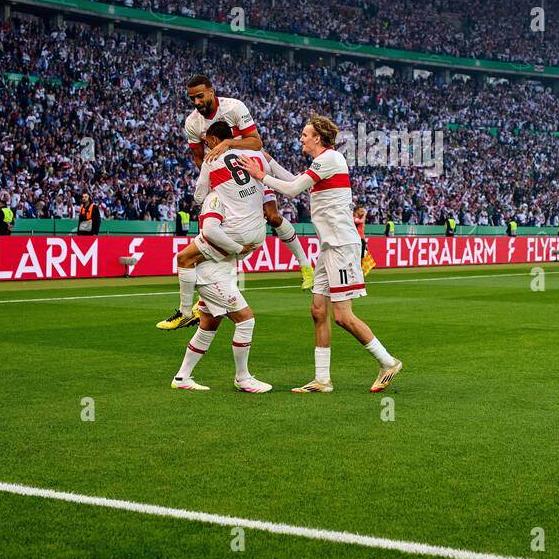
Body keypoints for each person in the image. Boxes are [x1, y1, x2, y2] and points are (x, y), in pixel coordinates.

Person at [246, 113, 402, 394]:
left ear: (317, 137)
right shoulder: (322, 164)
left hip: (342, 246)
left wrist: (261, 174)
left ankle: (388, 362)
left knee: (343, 316)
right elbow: (295, 180)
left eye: (305, 135)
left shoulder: (330, 159)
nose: (301, 139)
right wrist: (267, 162)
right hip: (330, 247)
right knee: (319, 310)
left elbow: (293, 189)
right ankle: (322, 380)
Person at [177, 75, 312, 300]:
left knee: (273, 216)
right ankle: (213, 292)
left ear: (211, 92)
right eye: (192, 98)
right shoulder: (192, 123)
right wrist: (215, 179)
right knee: (222, 230)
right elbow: (199, 158)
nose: (196, 102)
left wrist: (228, 143)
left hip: (252, 170)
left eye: (200, 96)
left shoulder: (234, 107)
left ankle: (305, 266)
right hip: (227, 181)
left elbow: (257, 143)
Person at [170, 120, 271, 394]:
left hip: (222, 268)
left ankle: (182, 378)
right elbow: (208, 232)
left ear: (214, 140)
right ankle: (243, 378)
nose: (206, 150)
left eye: (207, 143)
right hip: (211, 272)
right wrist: (240, 247)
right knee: (246, 320)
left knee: (209, 325)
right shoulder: (226, 190)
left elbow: (199, 193)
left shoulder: (214, 184)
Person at [353, 205, 374, 275]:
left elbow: (362, 232)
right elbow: (361, 221)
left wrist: (365, 243)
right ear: (356, 211)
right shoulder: (354, 218)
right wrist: (365, 214)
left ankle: (359, 273)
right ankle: (357, 273)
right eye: (361, 211)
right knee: (357, 257)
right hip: (356, 240)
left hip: (361, 240)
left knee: (362, 257)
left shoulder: (359, 219)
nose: (362, 212)